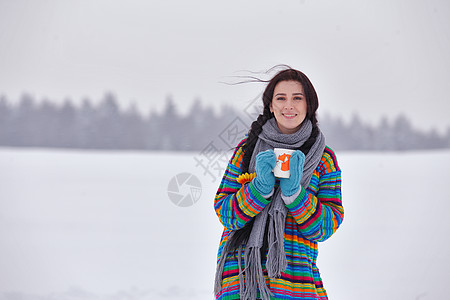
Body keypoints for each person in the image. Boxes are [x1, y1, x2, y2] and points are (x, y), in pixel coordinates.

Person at [213, 67, 344, 300]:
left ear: (309, 105)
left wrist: (295, 195)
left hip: (293, 281)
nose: (288, 105)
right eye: (281, 98)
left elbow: (325, 226)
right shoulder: (247, 150)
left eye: (297, 98)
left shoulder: (323, 158)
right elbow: (226, 213)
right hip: (240, 278)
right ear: (271, 106)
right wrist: (258, 189)